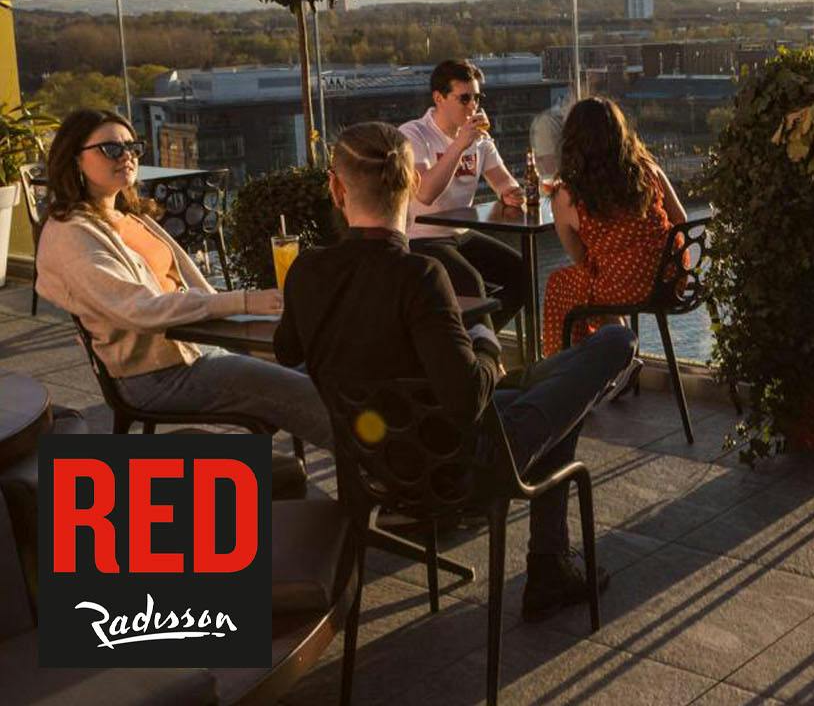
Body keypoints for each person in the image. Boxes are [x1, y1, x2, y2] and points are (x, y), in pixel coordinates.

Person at [275, 121, 636, 619]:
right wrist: (485, 341)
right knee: (614, 343)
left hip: (372, 467)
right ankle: (548, 564)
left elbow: (287, 350)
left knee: (552, 394)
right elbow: (468, 400)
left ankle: (551, 565)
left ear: (337, 189)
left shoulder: (307, 271)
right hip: (457, 471)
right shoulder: (421, 276)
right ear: (410, 185)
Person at [35, 109, 331, 449]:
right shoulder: (72, 236)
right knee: (299, 391)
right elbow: (141, 309)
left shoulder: (129, 217)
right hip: (155, 374)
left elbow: (183, 286)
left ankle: (367, 460)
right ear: (75, 159)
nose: (127, 156)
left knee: (322, 367)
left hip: (197, 345)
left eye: (132, 147)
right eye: (112, 149)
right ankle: (373, 468)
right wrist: (244, 301)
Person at [541, 97, 686, 356]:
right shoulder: (648, 171)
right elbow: (681, 221)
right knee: (600, 280)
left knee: (562, 285)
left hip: (625, 288)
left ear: (573, 141)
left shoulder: (567, 195)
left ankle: (587, 364)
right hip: (672, 279)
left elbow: (581, 259)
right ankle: (617, 349)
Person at [401, 59, 529, 332]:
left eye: (477, 98)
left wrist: (512, 193)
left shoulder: (478, 139)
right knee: (470, 282)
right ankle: (480, 347)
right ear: (439, 98)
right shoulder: (414, 134)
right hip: (421, 237)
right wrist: (459, 145)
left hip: (461, 233)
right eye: (465, 98)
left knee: (523, 273)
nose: (473, 105)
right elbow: (425, 193)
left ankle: (477, 341)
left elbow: (503, 182)